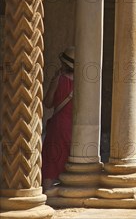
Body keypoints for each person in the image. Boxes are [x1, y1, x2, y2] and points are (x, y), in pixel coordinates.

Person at [42, 46, 75, 191]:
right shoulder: (83, 83)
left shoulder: (58, 79)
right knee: (70, 160)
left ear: (63, 63)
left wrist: (54, 82)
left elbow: (48, 103)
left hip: (58, 125)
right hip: (74, 127)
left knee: (51, 159)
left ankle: (47, 194)